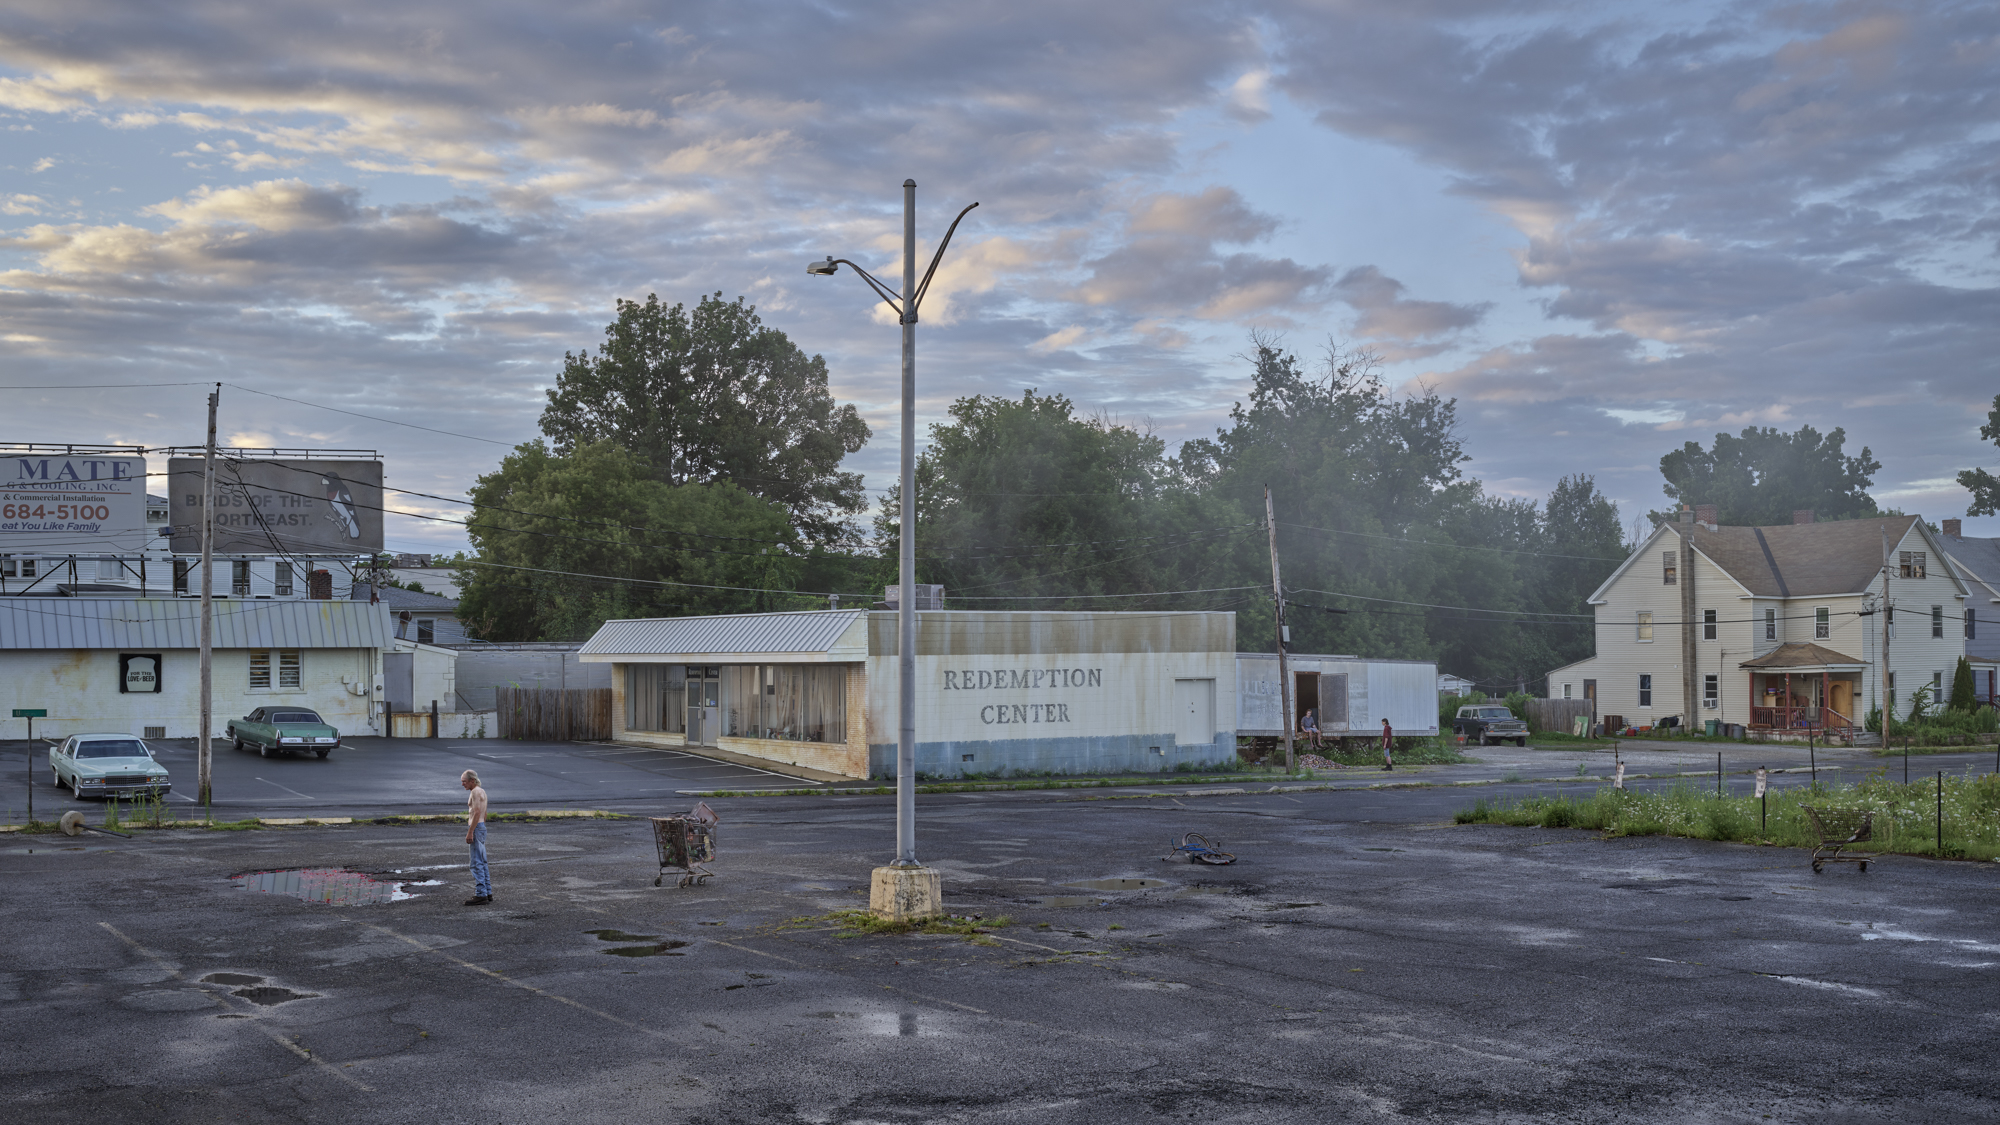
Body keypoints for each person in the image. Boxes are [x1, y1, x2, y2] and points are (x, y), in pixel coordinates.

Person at [461, 769, 492, 905]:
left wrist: (470, 831)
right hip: (481, 827)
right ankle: (487, 891)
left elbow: (477, 812)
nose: (463, 784)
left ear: (472, 780)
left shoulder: (474, 792)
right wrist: (481, 827)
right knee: (482, 861)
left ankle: (481, 894)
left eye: (464, 781)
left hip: (476, 827)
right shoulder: (482, 791)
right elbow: (484, 814)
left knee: (476, 862)